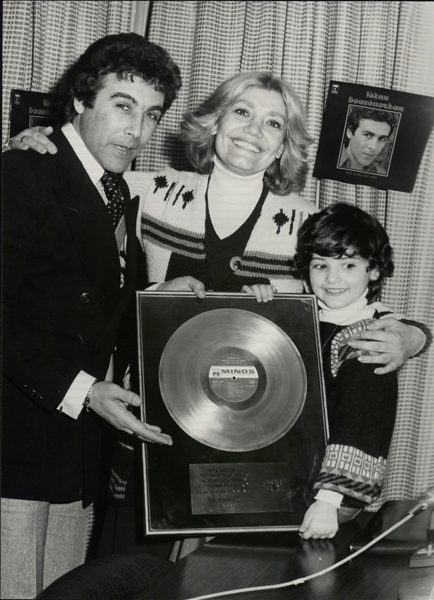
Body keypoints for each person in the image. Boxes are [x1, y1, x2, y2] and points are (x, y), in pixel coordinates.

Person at [9, 72, 425, 371]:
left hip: (258, 416)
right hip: (151, 403)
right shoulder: (148, 190)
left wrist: (414, 336)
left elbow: (354, 302)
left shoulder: (309, 222)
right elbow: (72, 178)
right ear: (215, 124)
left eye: (273, 123)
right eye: (241, 112)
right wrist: (35, 146)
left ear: (283, 145)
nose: (253, 130)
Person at [1, 32, 205, 599]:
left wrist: (155, 295)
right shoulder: (23, 171)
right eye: (122, 105)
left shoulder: (111, 187)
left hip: (73, 452)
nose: (136, 130)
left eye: (151, 115)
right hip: (16, 446)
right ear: (79, 100)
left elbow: (83, 297)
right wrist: (85, 391)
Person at [292, 203, 400, 539]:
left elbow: (361, 422)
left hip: (330, 491)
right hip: (296, 471)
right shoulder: (306, 317)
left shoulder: (372, 337)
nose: (332, 278)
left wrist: (329, 500)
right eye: (320, 264)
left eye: (349, 265)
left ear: (374, 270)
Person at [338, 107, 397, 174]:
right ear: (350, 132)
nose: (373, 147)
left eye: (382, 139)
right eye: (367, 135)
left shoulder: (381, 173)